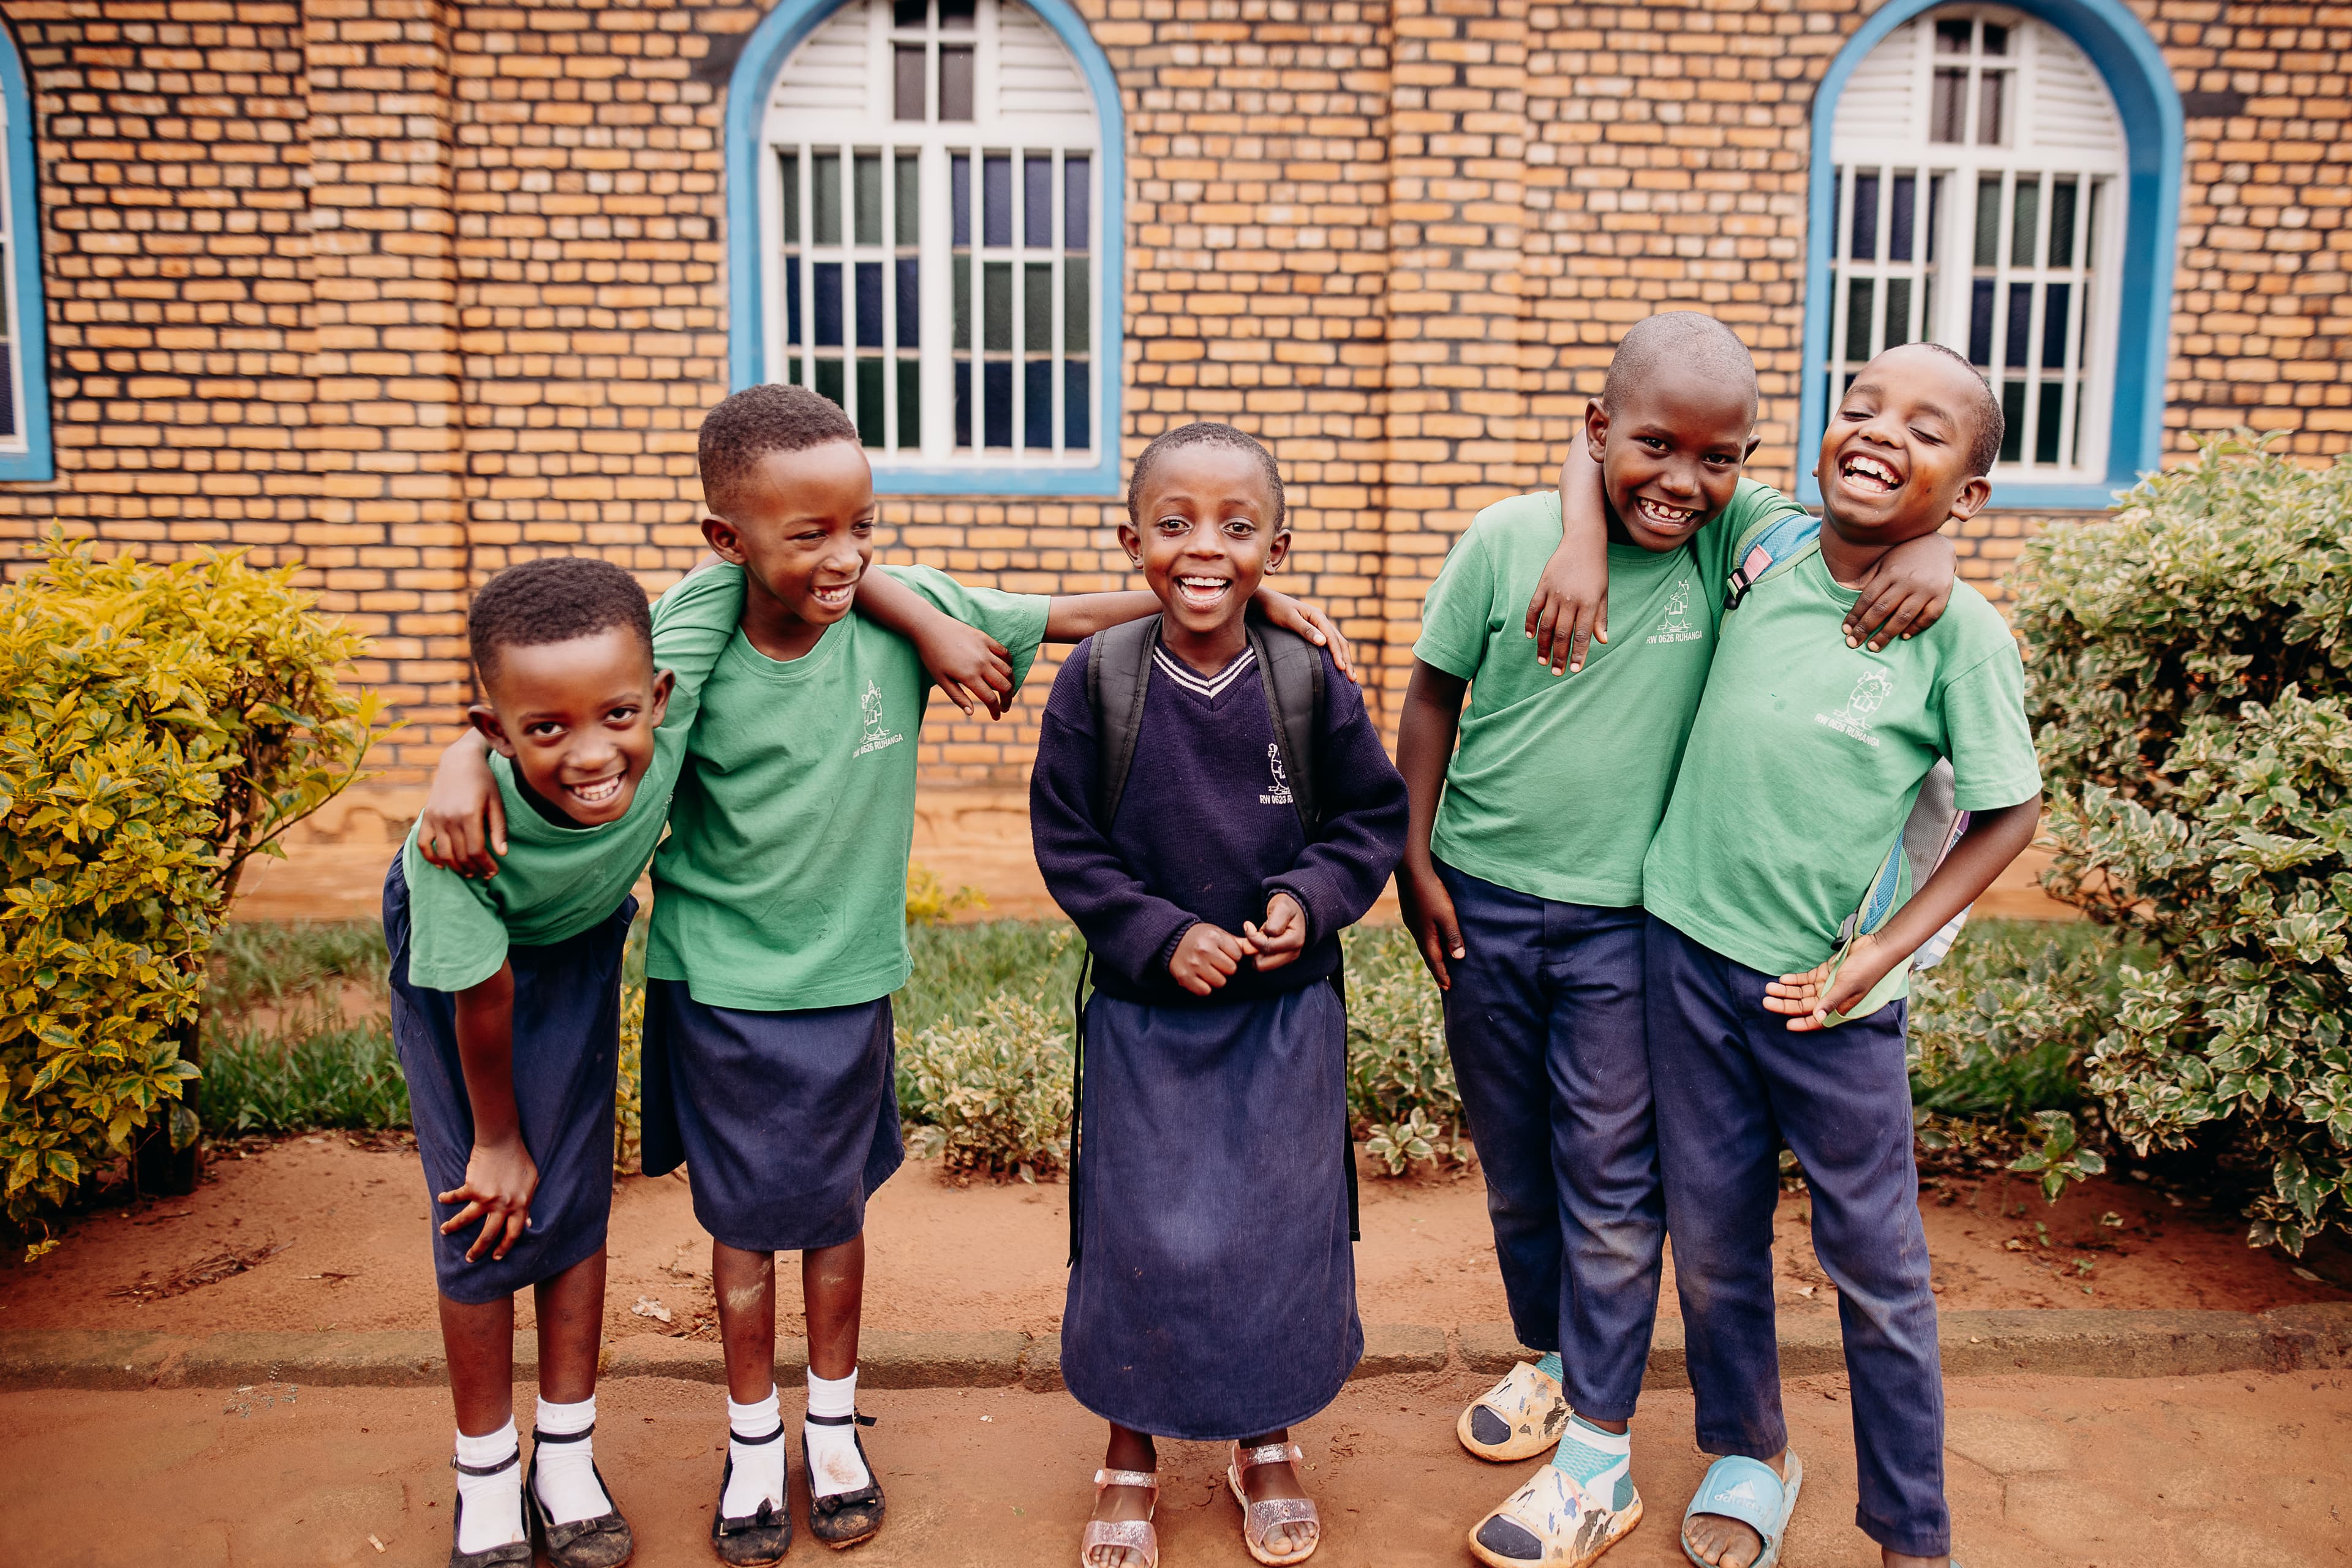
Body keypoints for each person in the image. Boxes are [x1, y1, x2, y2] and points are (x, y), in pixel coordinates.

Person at [418, 385, 1354, 1566]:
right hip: (698, 973)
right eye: (809, 533)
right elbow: (560, 696)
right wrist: (463, 751)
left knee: (831, 1206)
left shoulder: (895, 606)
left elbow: (1064, 611)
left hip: (839, 976)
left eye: (863, 525)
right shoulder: (696, 638)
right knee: (704, 1219)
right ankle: (735, 1446)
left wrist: (1232, 588)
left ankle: (826, 1427)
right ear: (729, 540)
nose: (847, 554)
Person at [1395, 313, 1962, 1568]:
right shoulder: (1509, 541)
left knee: (1611, 1184)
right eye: (1652, 448)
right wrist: (1414, 855)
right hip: (1483, 903)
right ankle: (1548, 1358)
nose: (1683, 481)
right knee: (1517, 1169)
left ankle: (1596, 1456)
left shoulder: (1733, 550)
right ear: (1600, 434)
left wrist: (1946, 539)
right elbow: (1433, 688)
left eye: (1718, 459)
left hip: (1631, 927)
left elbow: (1866, 501)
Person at [1615, 342, 2041, 1568]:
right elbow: (1624, 438)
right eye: (1859, 408)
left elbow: (2011, 812)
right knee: (1712, 1232)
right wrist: (1586, 542)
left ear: (1971, 494)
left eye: (1925, 429)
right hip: (1684, 951)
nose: (1877, 432)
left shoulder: (1961, 634)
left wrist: (1883, 955)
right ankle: (1751, 1451)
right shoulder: (1765, 540)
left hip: (1830, 996)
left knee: (1879, 1265)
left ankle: (1914, 1529)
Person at [1030, 422, 1409, 1568]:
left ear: (1276, 547)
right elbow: (1068, 844)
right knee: (1137, 1232)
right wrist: (1155, 934)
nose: (1206, 549)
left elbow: (1369, 823)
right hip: (1146, 1023)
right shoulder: (1098, 680)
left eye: (1237, 528)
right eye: (1175, 523)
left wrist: (1311, 897)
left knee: (1277, 1234)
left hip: (1283, 1021)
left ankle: (1267, 1438)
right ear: (1130, 538)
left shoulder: (1308, 682)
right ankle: (1130, 1450)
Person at [388, 554, 739, 1568]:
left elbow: (768, 552)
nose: (593, 753)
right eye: (545, 729)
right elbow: (480, 994)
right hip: (463, 975)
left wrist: (934, 626)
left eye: (620, 716)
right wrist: (497, 1137)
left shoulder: (662, 676)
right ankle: (486, 1474)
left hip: (579, 941)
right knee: (485, 1204)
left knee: (576, 1195)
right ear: (497, 730)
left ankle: (567, 1457)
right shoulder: (459, 840)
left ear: (659, 695)